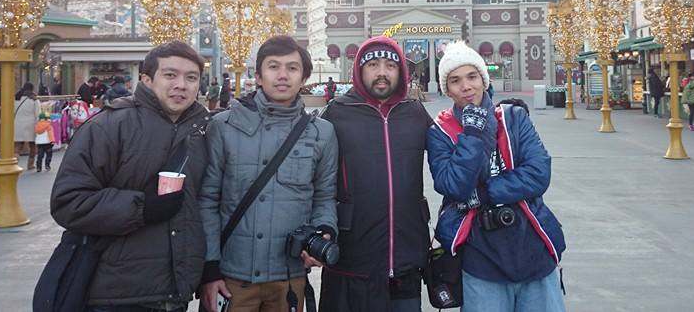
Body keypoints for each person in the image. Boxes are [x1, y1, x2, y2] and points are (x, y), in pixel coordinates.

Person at [51, 41, 212, 311]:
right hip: (116, 292)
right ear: (147, 80)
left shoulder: (205, 131)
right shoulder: (108, 127)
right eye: (170, 75)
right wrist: (141, 208)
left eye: (191, 78)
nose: (181, 85)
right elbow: (68, 202)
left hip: (176, 292)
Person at [199, 35, 338, 312]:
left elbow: (324, 196)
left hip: (288, 279)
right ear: (259, 76)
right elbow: (207, 200)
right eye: (273, 66)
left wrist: (323, 231)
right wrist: (210, 269)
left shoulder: (321, 133)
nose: (282, 75)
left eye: (292, 68)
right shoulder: (223, 126)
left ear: (304, 77)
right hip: (232, 278)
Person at [427, 41, 566, 312]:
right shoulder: (440, 132)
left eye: (472, 76)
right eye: (455, 80)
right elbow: (453, 186)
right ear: (447, 89)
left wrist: (484, 193)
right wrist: (472, 133)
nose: (466, 86)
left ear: (483, 79)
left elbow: (538, 173)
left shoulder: (513, 118)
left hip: (533, 248)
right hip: (481, 258)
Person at [318, 36, 434, 312]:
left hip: (406, 260)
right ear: (359, 70)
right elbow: (312, 179)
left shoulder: (415, 113)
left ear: (401, 72)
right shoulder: (336, 114)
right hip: (351, 261)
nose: (382, 72)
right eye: (373, 65)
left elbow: (452, 160)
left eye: (390, 66)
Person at [14, 82, 41, 171]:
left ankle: (14, 163)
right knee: (32, 145)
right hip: (30, 125)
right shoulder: (34, 99)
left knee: (18, 146)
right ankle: (30, 165)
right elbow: (38, 114)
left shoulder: (16, 98)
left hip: (17, 124)